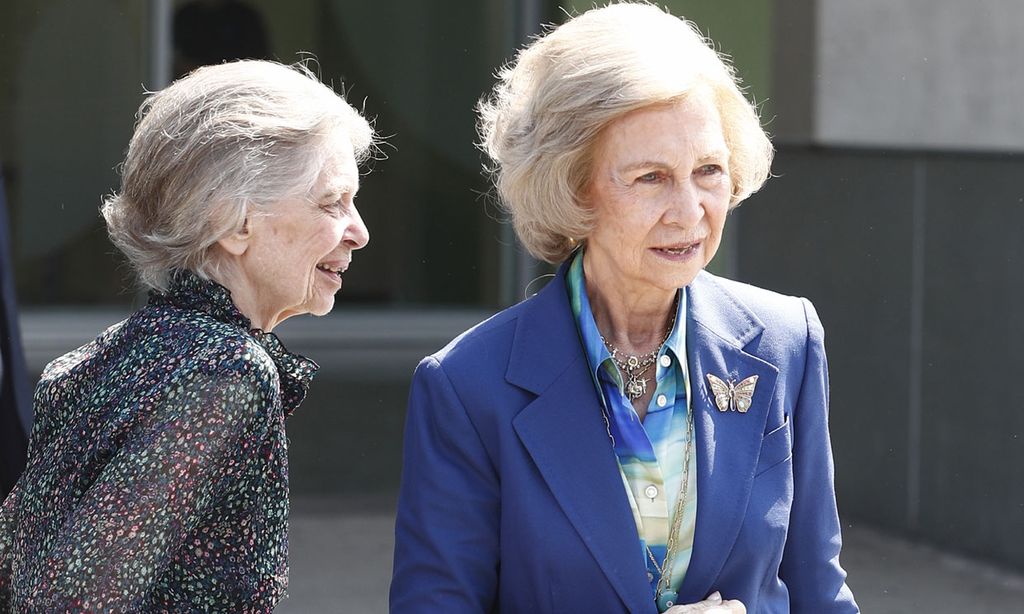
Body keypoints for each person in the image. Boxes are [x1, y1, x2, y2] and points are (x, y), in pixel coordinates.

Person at [390, 3, 858, 613]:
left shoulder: (783, 340)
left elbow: (819, 594)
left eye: (709, 170)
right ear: (572, 187)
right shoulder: (466, 387)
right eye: (651, 178)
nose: (689, 211)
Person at [0, 59, 373, 611]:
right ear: (236, 222)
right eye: (331, 202)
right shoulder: (226, 371)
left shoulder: (101, 358)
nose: (359, 232)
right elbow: (75, 598)